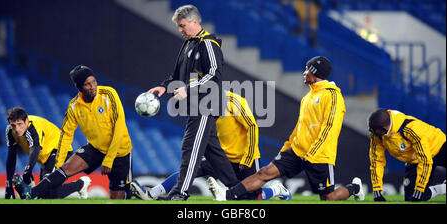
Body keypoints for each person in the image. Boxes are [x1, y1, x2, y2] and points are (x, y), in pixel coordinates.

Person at [208, 56, 365, 201]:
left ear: (315, 73)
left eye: (307, 69)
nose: (304, 73)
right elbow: (300, 127)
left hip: (319, 156)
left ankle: (355, 188)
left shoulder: (332, 96)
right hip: (297, 151)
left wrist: (313, 153)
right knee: (265, 173)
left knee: (328, 197)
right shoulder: (308, 97)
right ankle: (226, 195)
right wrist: (287, 147)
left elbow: (330, 128)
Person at [146, 5, 242, 200]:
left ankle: (180, 193)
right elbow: (177, 74)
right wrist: (165, 86)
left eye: (182, 26)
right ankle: (241, 191)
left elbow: (215, 75)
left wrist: (189, 89)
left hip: (205, 105)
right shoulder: (188, 44)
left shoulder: (208, 44)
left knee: (190, 149)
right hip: (196, 106)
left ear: (195, 22)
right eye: (178, 27)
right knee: (215, 155)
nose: (180, 30)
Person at [131, 90, 291, 200]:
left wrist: (248, 156)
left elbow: (252, 126)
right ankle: (152, 194)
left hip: (245, 158)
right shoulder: (202, 107)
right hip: (222, 158)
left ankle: (276, 189)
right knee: (189, 170)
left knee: (251, 198)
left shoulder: (234, 101)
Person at [14, 65, 133, 199]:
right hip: (96, 148)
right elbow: (66, 135)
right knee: (67, 167)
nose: (93, 86)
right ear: (80, 87)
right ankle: (31, 193)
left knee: (117, 197)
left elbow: (120, 126)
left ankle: (133, 190)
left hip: (119, 151)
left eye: (94, 81)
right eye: (88, 84)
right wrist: (57, 167)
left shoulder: (109, 94)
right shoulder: (74, 106)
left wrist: (109, 158)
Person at [5, 107, 91, 199]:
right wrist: (9, 183)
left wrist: (27, 171)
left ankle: (80, 184)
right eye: (13, 125)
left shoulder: (33, 127)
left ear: (26, 121)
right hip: (46, 158)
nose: (17, 129)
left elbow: (35, 148)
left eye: (20, 124)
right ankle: (80, 185)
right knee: (45, 194)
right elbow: (11, 156)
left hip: (59, 151)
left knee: (47, 192)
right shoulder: (10, 131)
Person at [368, 108, 446, 202]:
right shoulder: (377, 134)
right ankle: (443, 188)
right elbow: (376, 161)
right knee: (413, 198)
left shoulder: (409, 128)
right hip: (415, 159)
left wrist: (419, 188)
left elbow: (425, 160)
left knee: (418, 192)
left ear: (384, 129)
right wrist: (377, 191)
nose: (372, 133)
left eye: (374, 131)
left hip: (439, 146)